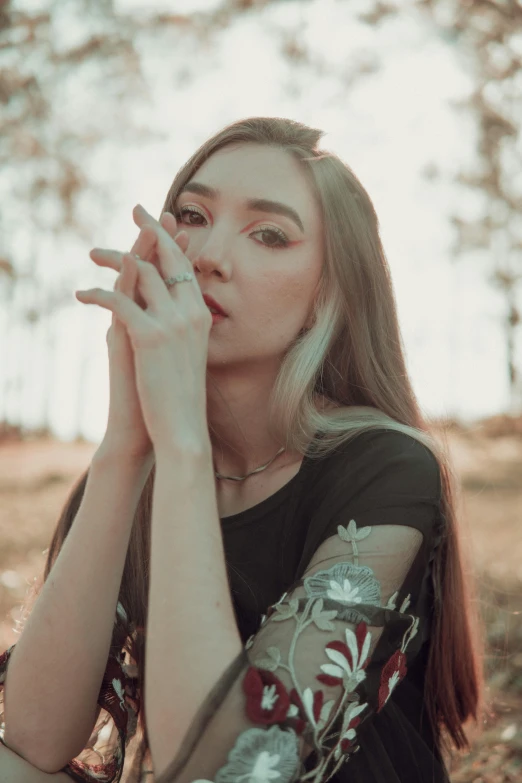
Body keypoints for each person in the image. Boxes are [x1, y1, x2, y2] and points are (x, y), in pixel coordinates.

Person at [0, 116, 489, 783]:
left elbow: (222, 771)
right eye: (191, 215)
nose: (206, 255)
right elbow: (31, 740)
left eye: (269, 234)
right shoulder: (131, 471)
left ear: (326, 297)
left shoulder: (387, 467)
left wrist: (180, 444)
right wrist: (123, 447)